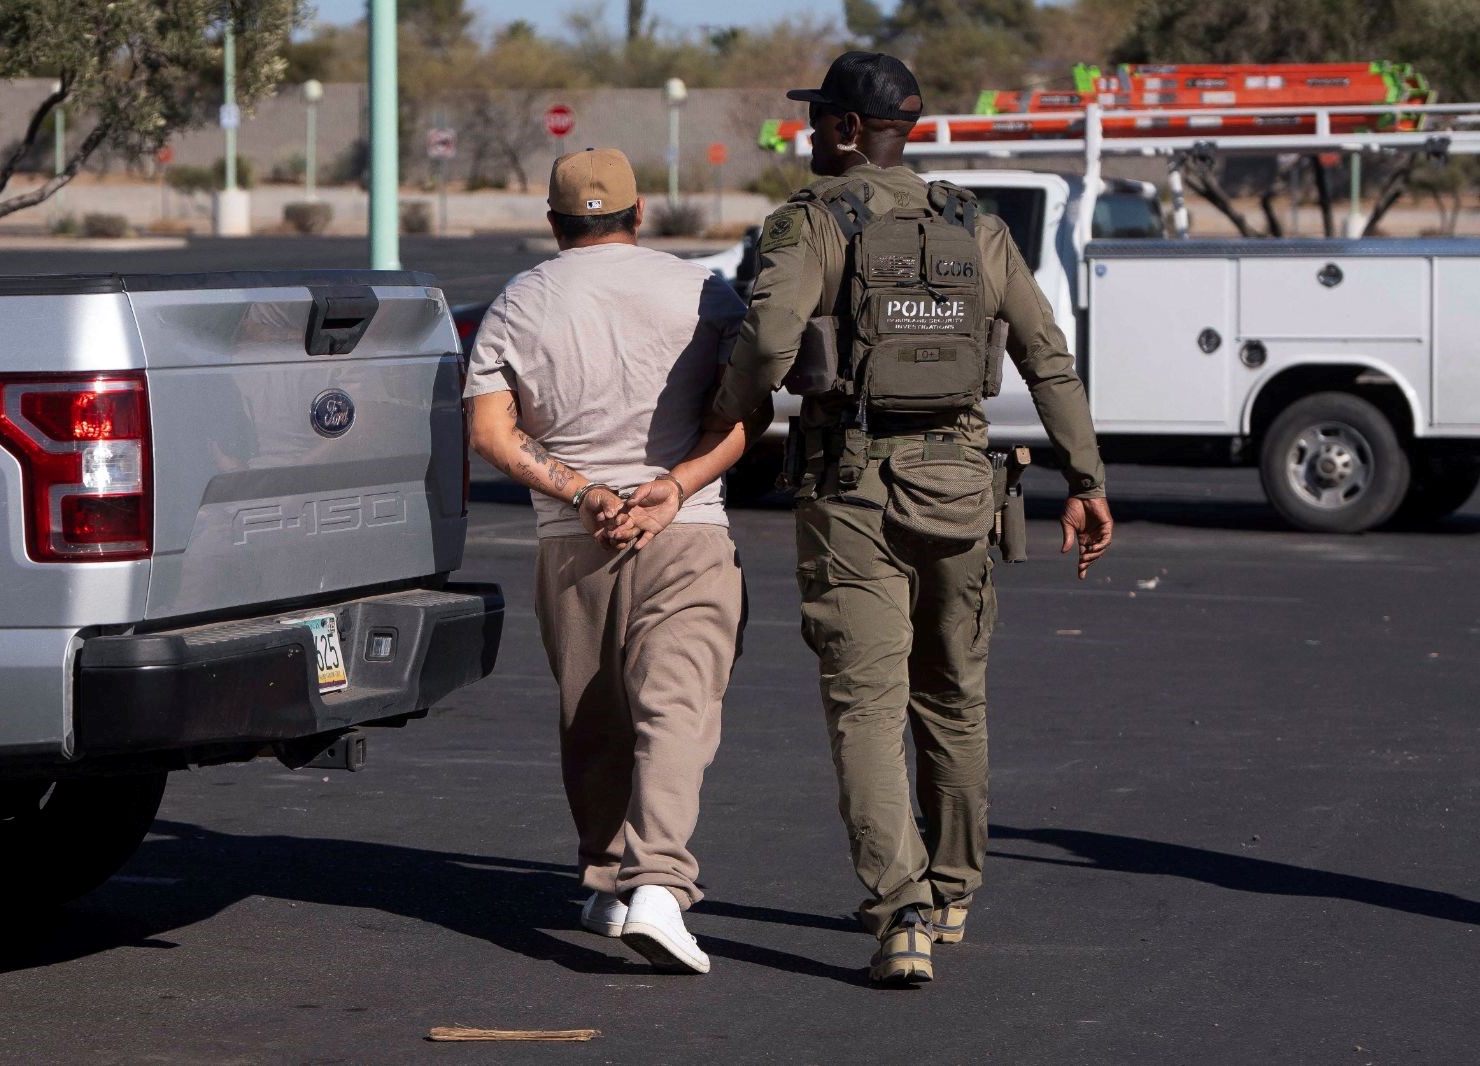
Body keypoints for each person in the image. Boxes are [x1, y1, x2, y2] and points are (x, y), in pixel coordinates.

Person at [705, 52, 1115, 985]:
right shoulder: (977, 225)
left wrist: (723, 418)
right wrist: (1085, 480)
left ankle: (902, 917)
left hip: (853, 492)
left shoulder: (810, 224)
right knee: (954, 697)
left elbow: (769, 341)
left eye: (821, 120)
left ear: (852, 130)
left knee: (866, 705)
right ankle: (955, 890)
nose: (811, 134)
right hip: (966, 485)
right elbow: (1049, 356)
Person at [464, 147, 754, 975]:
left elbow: (491, 433)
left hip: (571, 542)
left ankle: (606, 883)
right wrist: (672, 484)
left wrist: (582, 491)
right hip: (686, 529)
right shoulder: (707, 292)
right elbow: (744, 418)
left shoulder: (519, 301)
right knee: (675, 706)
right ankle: (658, 886)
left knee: (594, 716)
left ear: (554, 224)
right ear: (639, 214)